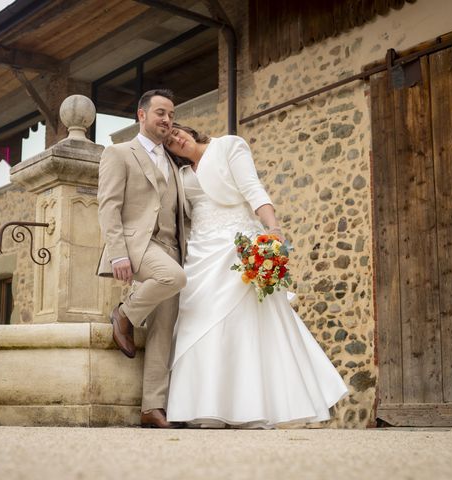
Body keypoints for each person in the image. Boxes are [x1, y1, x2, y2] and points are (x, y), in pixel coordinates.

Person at [164, 124, 348, 428]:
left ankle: (251, 406)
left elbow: (252, 188)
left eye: (178, 132)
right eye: (170, 142)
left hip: (236, 242)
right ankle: (206, 406)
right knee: (199, 319)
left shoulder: (228, 146)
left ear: (188, 129)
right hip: (200, 251)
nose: (177, 139)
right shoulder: (181, 174)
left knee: (246, 322)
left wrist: (272, 229)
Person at [97, 90, 187, 429]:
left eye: (171, 114)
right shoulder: (119, 153)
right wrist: (118, 251)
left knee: (164, 329)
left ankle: (152, 407)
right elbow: (108, 206)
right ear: (141, 115)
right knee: (174, 277)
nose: (167, 119)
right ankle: (124, 313)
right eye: (160, 112)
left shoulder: (173, 161)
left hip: (171, 247)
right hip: (139, 243)